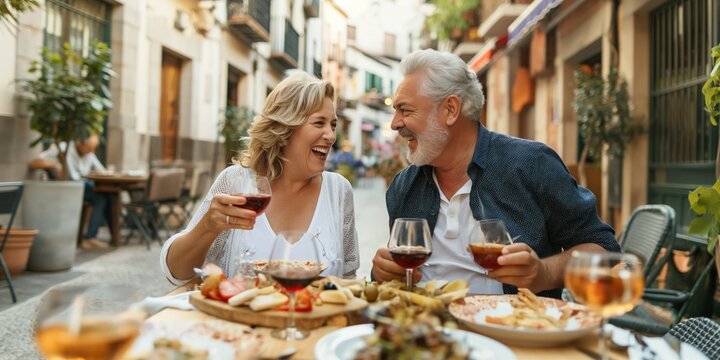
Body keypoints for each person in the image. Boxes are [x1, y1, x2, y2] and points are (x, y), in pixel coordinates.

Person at [370, 49, 620, 298]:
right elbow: (398, 277)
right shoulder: (404, 186)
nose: (395, 123)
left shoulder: (531, 164)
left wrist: (544, 272)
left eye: (405, 110)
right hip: (427, 330)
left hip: (512, 331)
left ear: (450, 110)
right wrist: (383, 273)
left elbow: (604, 251)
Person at [161, 73, 360, 284]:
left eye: (333, 125)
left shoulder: (338, 191)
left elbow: (348, 278)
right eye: (319, 123)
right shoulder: (236, 182)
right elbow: (177, 273)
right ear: (285, 129)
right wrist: (207, 227)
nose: (331, 136)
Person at [30, 134, 111, 249]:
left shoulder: (89, 153)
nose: (91, 151)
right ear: (80, 143)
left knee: (109, 195)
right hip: (68, 188)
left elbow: (102, 171)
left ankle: (108, 236)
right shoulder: (62, 148)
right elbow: (35, 163)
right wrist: (55, 164)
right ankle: (89, 238)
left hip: (83, 186)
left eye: (94, 148)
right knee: (100, 198)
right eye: (89, 147)